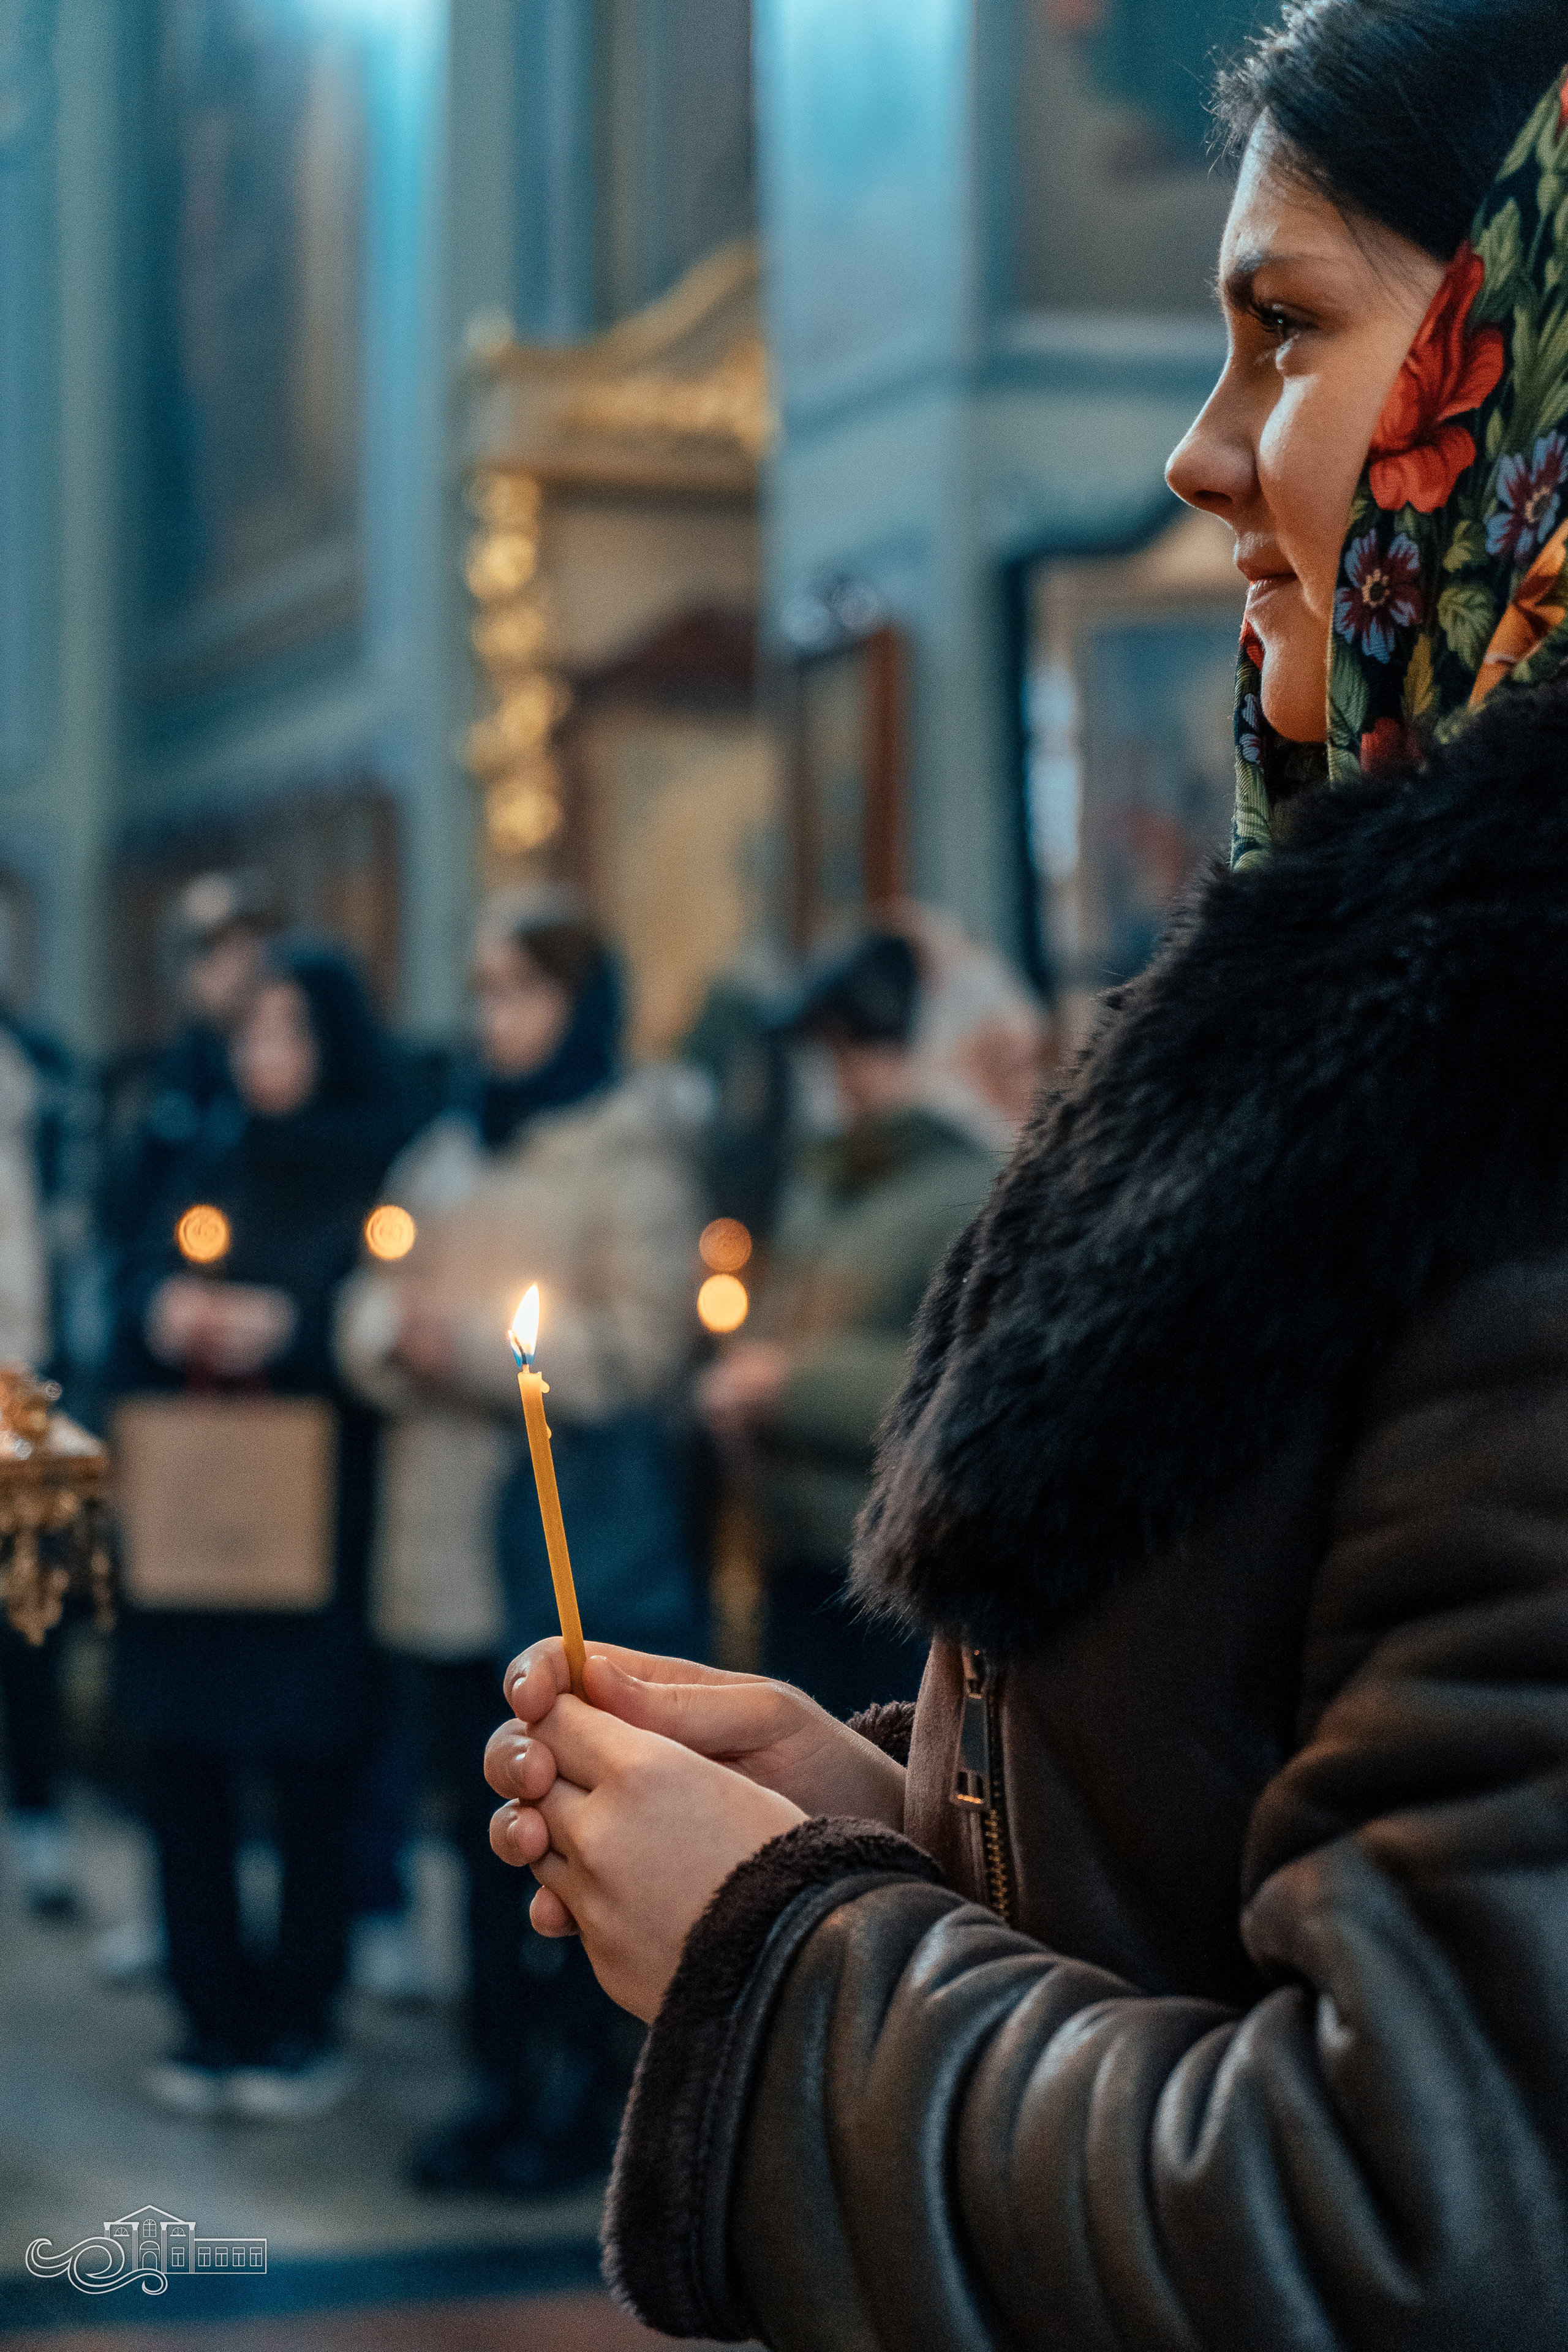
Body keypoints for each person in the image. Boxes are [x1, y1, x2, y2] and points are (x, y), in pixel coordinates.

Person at [480, 9, 1568, 2344]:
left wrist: (786, 1957)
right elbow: (1269, 1857)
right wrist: (900, 1825)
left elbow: (1412, 2228)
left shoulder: (1524, 1104)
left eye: (1283, 330)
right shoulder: (1392, 1031)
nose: (1197, 457)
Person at [336, 892, 703, 2193]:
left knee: (568, 1840)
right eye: (481, 989)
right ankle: (494, 2082)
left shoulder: (624, 1152)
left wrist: (490, 1355)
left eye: (516, 991)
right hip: (437, 1545)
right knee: (474, 1837)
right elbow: (367, 1290)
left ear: (573, 1005)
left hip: (553, 1552)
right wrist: (390, 1339)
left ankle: (586, 2095)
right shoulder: (444, 1148)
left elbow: (646, 1346)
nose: (489, 1015)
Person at [111, 940, 409, 2120]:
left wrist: (290, 1323)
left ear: (332, 1041)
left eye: (287, 1031)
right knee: (183, 1758)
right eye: (250, 1032)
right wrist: (165, 1304)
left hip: (314, 1510)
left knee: (311, 1769)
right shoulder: (207, 1150)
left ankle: (298, 2016)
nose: (262, 1053)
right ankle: (207, 2013)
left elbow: (376, 1310)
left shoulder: (380, 1163)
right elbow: (136, 1267)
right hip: (193, 1502)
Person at [697, 913, 1043, 1717]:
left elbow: (979, 1381)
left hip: (907, 1568)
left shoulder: (978, 1185)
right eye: (829, 1052)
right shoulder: (829, 1174)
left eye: (856, 1048)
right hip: (803, 1542)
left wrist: (789, 1383)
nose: (841, 1076)